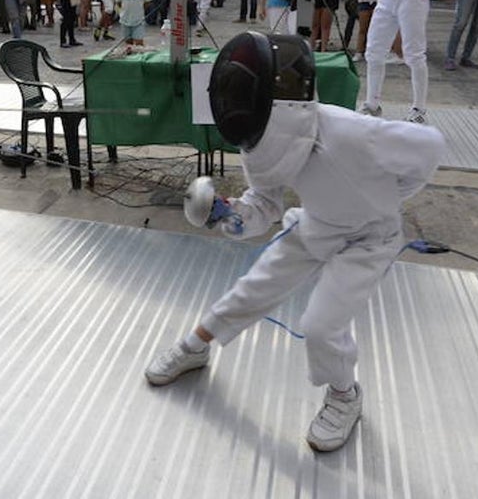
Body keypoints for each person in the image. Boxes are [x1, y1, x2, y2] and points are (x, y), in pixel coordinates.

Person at [145, 31, 445, 453]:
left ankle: (345, 395)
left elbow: (430, 146)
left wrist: (389, 199)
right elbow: (265, 203)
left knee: (321, 326)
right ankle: (195, 347)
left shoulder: (353, 132)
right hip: (315, 225)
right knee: (253, 288)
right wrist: (232, 217)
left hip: (371, 239)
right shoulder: (258, 138)